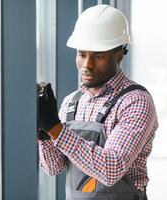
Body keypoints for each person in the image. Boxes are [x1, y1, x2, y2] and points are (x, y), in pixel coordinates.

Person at [38, 4, 158, 200]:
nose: (87, 65)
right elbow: (54, 168)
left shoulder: (135, 101)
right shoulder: (72, 102)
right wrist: (43, 133)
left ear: (119, 54)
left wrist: (56, 129)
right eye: (82, 54)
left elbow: (111, 169)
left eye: (98, 56)